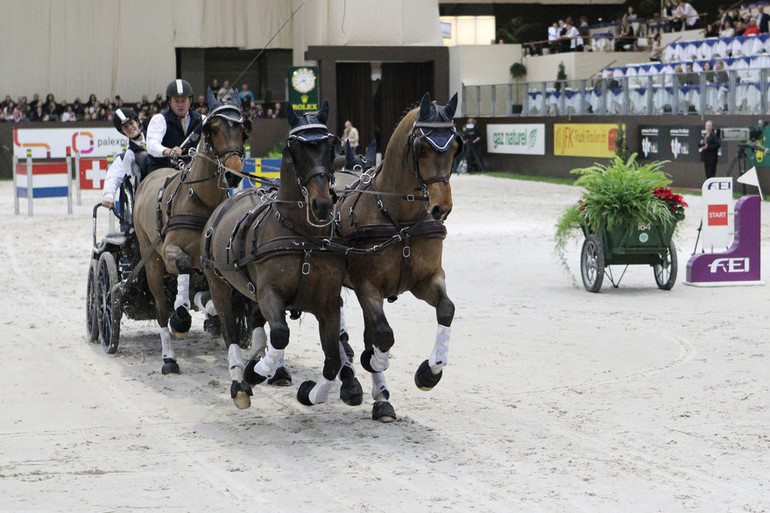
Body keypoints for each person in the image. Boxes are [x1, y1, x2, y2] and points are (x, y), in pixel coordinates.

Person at [146, 79, 203, 174]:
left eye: (183, 100)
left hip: (190, 170)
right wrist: (168, 151)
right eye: (177, 101)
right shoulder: (160, 119)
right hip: (162, 169)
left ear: (190, 100)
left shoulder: (200, 119)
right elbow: (152, 145)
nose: (181, 105)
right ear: (170, 102)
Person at [101, 107, 149, 210]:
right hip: (143, 200)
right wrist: (108, 195)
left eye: (131, 124)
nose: (130, 128)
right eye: (125, 127)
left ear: (137, 122)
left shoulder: (157, 141)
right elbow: (113, 177)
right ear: (123, 132)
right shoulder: (125, 158)